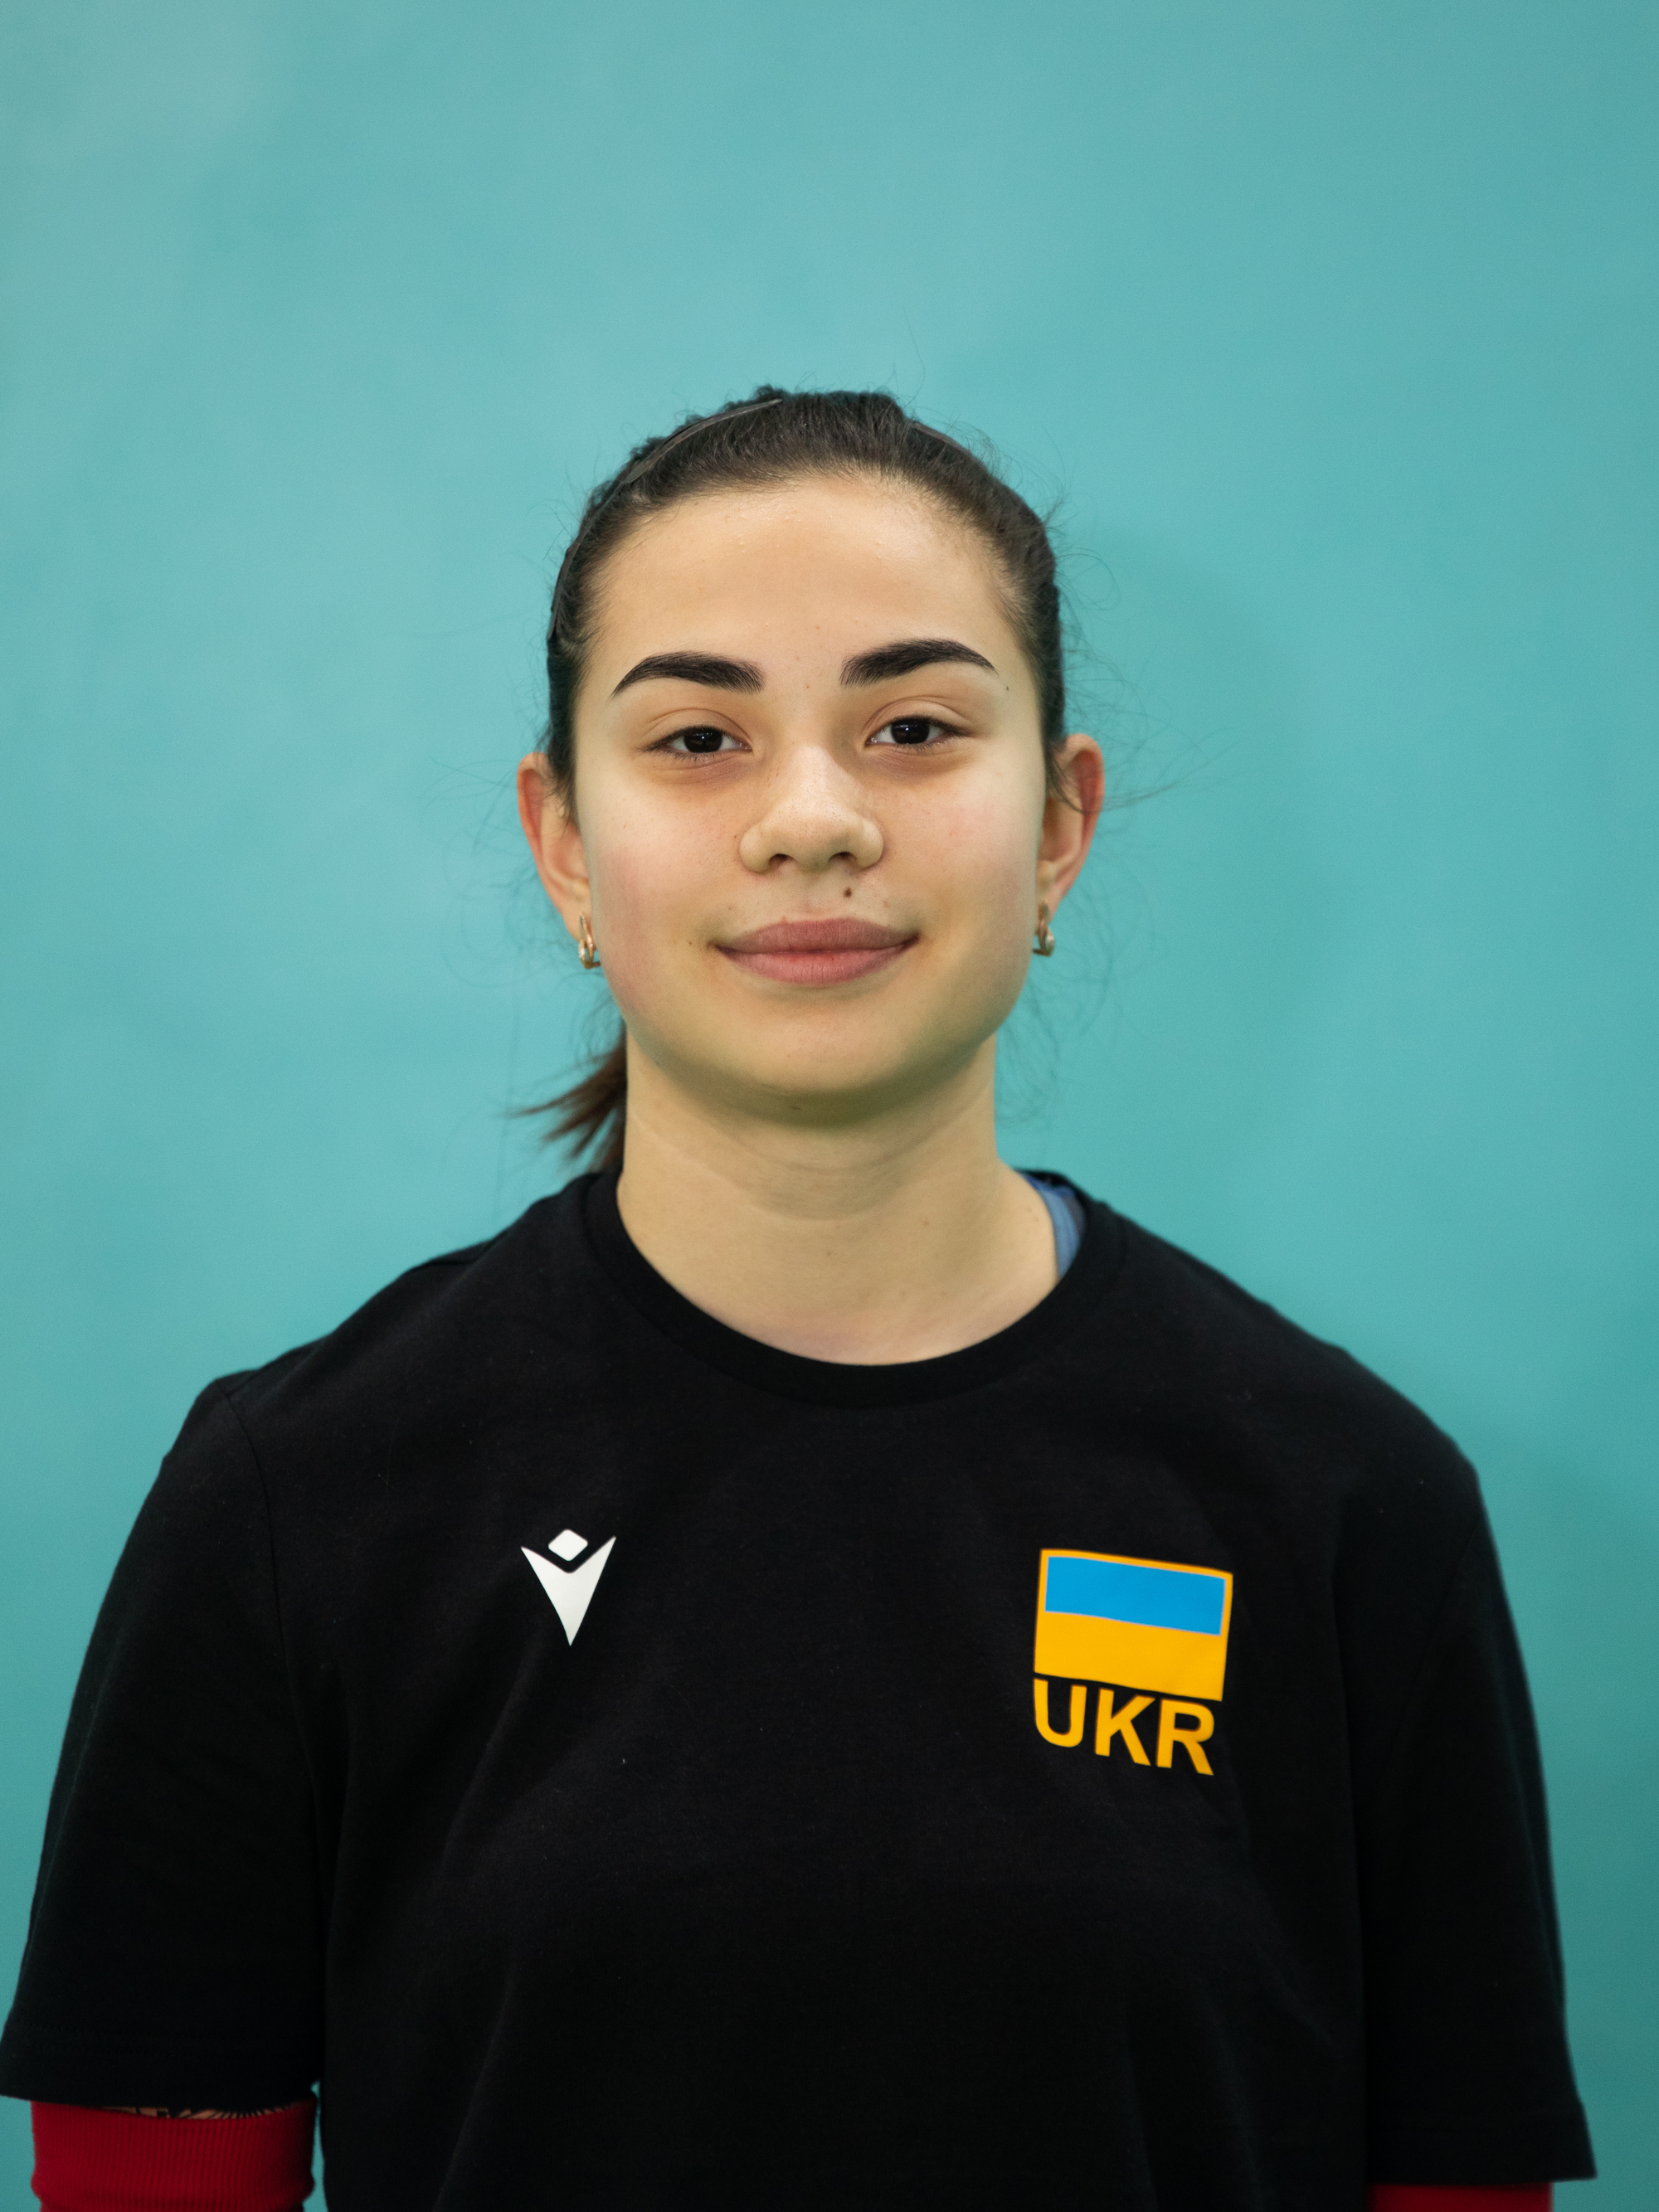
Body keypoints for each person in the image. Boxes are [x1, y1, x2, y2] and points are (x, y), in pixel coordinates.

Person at [1, 389, 1593, 2211]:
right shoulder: (299, 1497)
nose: (813, 819)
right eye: (699, 736)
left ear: (1060, 821)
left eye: (913, 728)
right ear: (564, 841)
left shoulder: (1349, 1501)